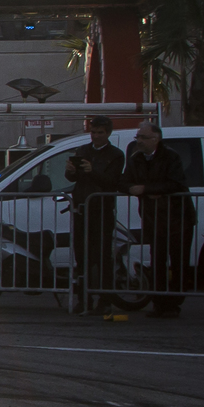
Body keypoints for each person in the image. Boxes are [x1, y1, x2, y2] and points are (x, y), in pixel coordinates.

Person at [125, 121, 196, 317]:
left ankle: (173, 304)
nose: (139, 141)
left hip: (178, 219)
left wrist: (146, 189)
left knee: (178, 262)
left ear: (156, 139)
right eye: (137, 137)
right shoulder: (136, 158)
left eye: (143, 137)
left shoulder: (170, 156)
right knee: (157, 262)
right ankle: (159, 302)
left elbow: (175, 183)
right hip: (153, 218)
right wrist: (140, 190)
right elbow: (126, 182)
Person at [66, 113, 128, 313]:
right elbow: (72, 178)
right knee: (81, 255)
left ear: (108, 133)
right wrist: (71, 170)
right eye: (93, 132)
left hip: (101, 210)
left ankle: (105, 299)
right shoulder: (83, 150)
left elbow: (111, 182)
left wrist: (92, 171)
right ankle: (83, 299)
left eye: (100, 133)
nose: (95, 136)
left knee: (102, 256)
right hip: (81, 208)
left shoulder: (116, 155)